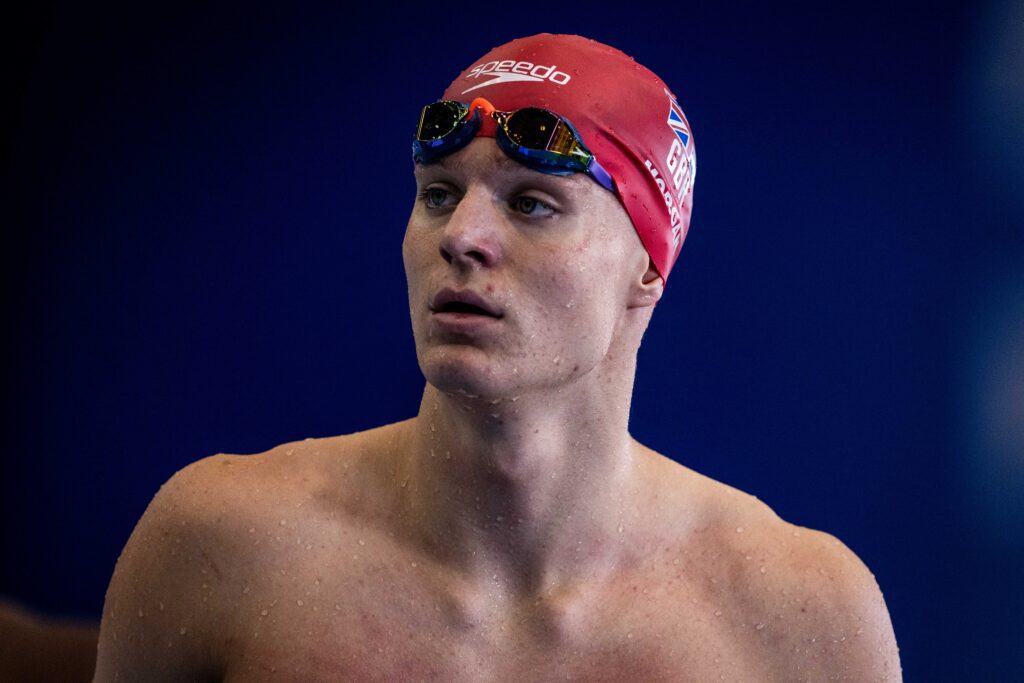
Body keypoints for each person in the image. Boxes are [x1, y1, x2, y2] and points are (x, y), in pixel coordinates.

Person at [93, 34, 901, 681]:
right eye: (439, 193)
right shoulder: (220, 547)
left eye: (531, 202)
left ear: (648, 266)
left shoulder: (796, 618)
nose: (461, 236)